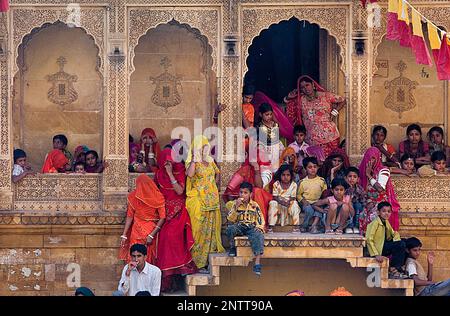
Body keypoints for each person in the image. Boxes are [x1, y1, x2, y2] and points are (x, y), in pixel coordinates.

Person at [154, 148, 197, 292]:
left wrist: (170, 173)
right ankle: (168, 280)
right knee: (163, 239)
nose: (168, 163)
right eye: (165, 161)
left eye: (170, 161)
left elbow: (179, 191)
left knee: (173, 236)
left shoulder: (179, 171)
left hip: (179, 211)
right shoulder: (158, 174)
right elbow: (156, 193)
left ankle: (181, 271)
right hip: (165, 213)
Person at [185, 135, 225, 272]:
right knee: (200, 233)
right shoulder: (192, 162)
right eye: (202, 146)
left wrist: (215, 186)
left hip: (212, 202)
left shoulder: (210, 160)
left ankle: (207, 262)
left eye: (206, 146)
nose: (205, 148)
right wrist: (195, 159)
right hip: (200, 202)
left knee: (212, 232)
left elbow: (218, 172)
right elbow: (189, 175)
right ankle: (197, 263)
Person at [284, 75, 346, 157]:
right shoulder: (301, 99)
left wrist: (334, 112)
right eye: (302, 87)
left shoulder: (325, 95)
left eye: (307, 85)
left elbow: (343, 100)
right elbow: (288, 102)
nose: (306, 88)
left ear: (313, 84)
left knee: (330, 162)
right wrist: (289, 96)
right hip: (312, 139)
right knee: (315, 165)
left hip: (330, 137)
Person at [223, 138, 273, 226]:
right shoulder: (245, 169)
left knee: (257, 191)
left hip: (264, 197)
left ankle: (259, 225)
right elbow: (230, 190)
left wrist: (256, 168)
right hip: (247, 199)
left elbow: (260, 186)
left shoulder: (266, 167)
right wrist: (238, 201)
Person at [119, 174, 166, 265]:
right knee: (147, 256)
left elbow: (129, 216)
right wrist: (152, 235)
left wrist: (124, 234)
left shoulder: (133, 196)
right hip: (150, 231)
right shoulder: (158, 197)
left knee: (134, 255)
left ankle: (134, 277)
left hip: (137, 230)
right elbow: (162, 218)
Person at [358, 147, 400, 235]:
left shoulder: (383, 170)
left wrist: (369, 176)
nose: (371, 161)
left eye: (373, 158)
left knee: (373, 217)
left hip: (380, 203)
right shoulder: (362, 169)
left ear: (378, 158)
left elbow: (380, 189)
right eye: (369, 158)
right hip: (367, 202)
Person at [226, 182, 265, 276]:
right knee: (230, 229)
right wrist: (235, 207)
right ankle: (232, 247)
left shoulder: (254, 205)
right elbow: (230, 218)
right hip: (240, 226)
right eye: (241, 192)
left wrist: (259, 227)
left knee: (258, 235)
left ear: (250, 194)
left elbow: (260, 217)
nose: (242, 195)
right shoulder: (236, 204)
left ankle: (257, 262)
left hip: (251, 227)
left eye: (245, 193)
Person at [365, 202, 407, 279]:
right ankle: (393, 269)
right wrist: (376, 254)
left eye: (388, 211)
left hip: (383, 245)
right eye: (383, 211)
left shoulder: (386, 222)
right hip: (378, 249)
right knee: (400, 244)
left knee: (404, 243)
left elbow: (394, 234)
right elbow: (369, 239)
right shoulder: (375, 223)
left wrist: (397, 240)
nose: (386, 213)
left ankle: (400, 266)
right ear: (378, 212)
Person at [297, 157, 327, 234]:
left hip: (317, 203)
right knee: (309, 210)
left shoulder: (321, 180)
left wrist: (322, 201)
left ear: (317, 167)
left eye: (315, 167)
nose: (313, 169)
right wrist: (303, 201)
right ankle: (304, 225)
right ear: (305, 169)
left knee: (319, 211)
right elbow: (298, 195)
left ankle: (313, 226)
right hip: (307, 203)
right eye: (310, 167)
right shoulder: (303, 182)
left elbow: (325, 193)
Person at [268, 165, 301, 233]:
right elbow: (275, 197)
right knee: (272, 203)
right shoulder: (276, 184)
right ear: (280, 175)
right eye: (283, 175)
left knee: (294, 203)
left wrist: (288, 202)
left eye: (288, 175)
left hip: (289, 205)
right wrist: (282, 202)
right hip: (279, 205)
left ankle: (296, 227)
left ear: (291, 176)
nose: (285, 177)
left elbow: (293, 197)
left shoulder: (294, 184)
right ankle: (271, 227)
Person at [256, 103, 285, 172]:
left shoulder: (275, 125)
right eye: (267, 115)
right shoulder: (259, 127)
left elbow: (277, 139)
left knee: (277, 168)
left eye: (271, 114)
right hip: (266, 151)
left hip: (276, 149)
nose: (269, 116)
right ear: (260, 114)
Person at [344, 167, 366, 234]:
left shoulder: (359, 188)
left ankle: (355, 226)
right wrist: (349, 188)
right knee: (347, 206)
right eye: (350, 176)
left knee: (357, 205)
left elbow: (363, 200)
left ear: (358, 179)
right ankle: (348, 226)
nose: (352, 179)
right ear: (345, 178)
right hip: (346, 207)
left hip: (357, 209)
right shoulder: (343, 187)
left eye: (354, 177)